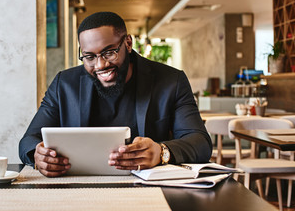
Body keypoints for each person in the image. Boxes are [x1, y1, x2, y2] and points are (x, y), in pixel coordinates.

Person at [19, 12, 212, 177]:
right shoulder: (64, 84)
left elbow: (200, 142)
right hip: (78, 188)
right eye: (89, 56)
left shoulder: (171, 81)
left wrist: (162, 152)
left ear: (128, 43)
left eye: (109, 52)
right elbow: (28, 141)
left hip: (147, 191)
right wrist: (38, 155)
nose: (100, 65)